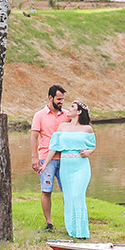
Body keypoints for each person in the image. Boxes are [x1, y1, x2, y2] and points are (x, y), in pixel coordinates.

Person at [48, 101, 96, 239]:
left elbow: (92, 146)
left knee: (77, 195)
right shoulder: (62, 127)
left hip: (81, 165)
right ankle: (72, 229)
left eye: (72, 107)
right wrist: (45, 164)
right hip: (66, 166)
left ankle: (82, 231)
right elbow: (54, 146)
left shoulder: (87, 129)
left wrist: (88, 152)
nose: (68, 109)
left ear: (79, 111)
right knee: (68, 197)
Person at [31, 84, 71, 232]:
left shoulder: (67, 115)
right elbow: (34, 137)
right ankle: (49, 222)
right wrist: (34, 158)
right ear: (50, 98)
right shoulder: (39, 115)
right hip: (45, 159)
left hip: (65, 158)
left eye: (63, 99)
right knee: (46, 190)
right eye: (59, 99)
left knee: (67, 190)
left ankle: (70, 220)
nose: (61, 102)